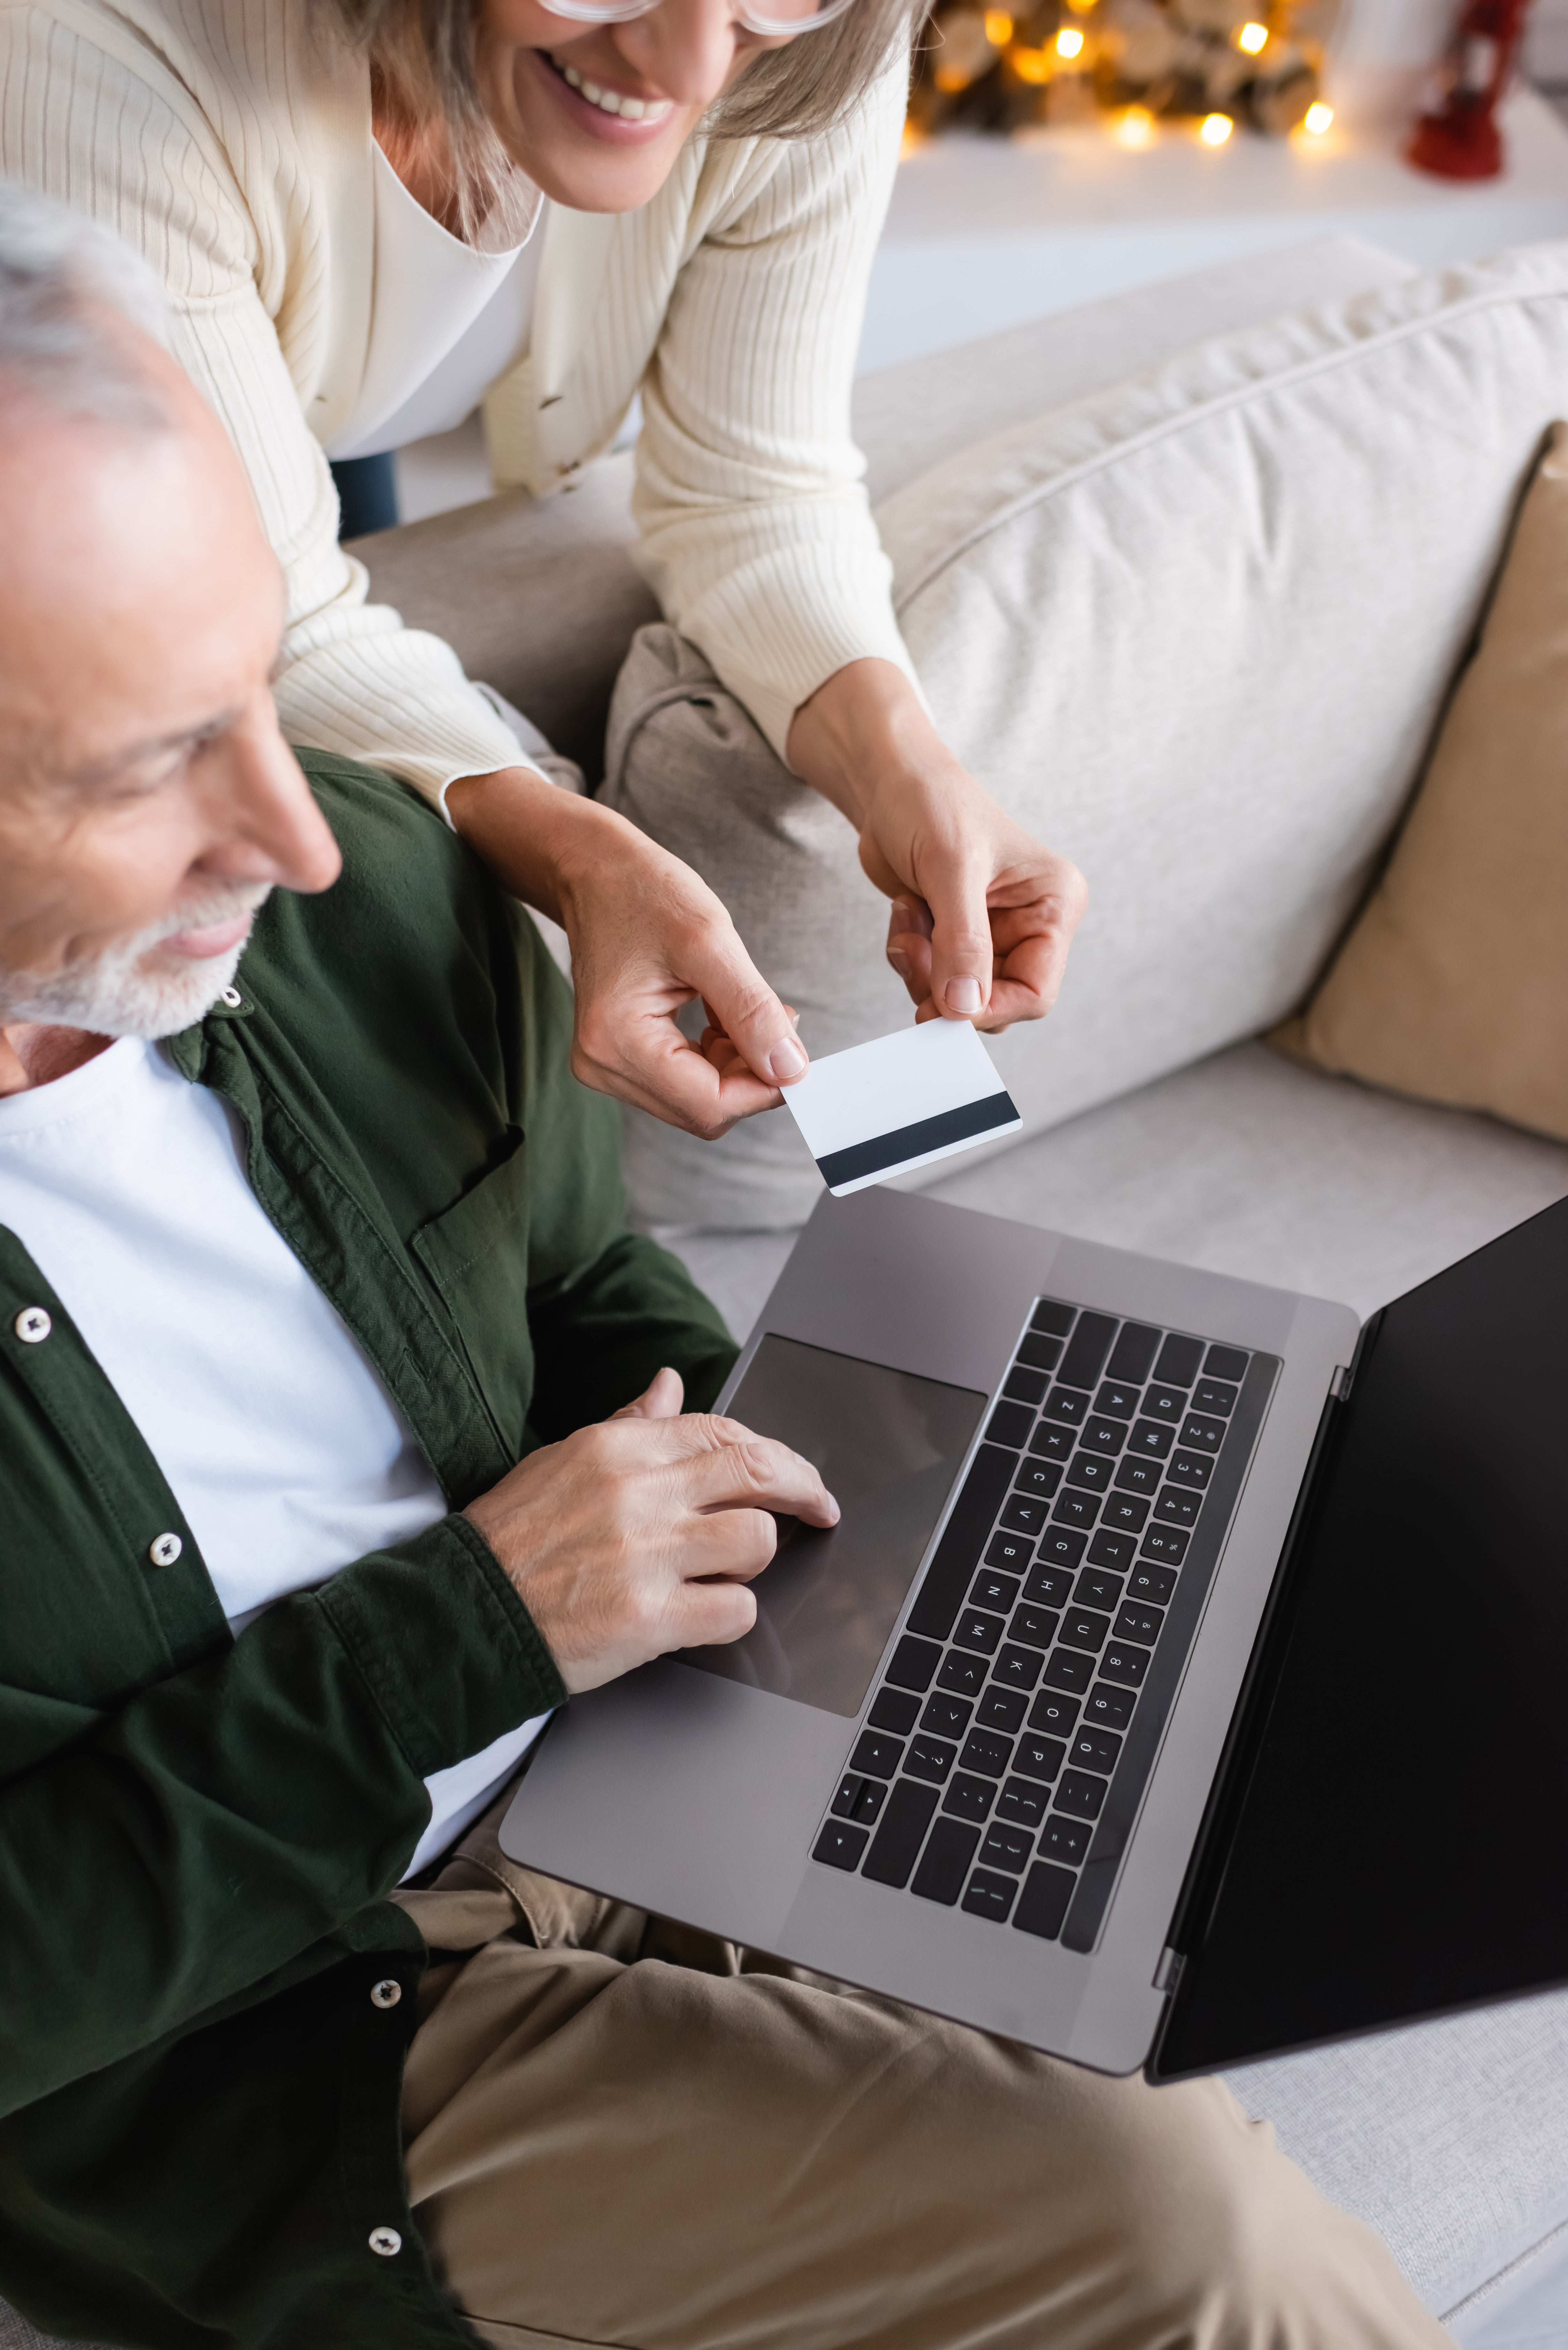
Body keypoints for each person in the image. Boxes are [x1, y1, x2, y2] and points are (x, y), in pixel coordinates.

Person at [0, 190, 1449, 2350]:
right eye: (146, 766)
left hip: (659, 1744)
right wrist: (467, 1633)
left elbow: (591, 1300)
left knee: (1259, 1861)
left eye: (255, 697)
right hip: (292, 2032)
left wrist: (805, 1499)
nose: (297, 836)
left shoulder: (365, 888)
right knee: (1177, 2242)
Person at [0, 0, 1087, 1159]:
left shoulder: (803, 44)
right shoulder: (100, 43)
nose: (693, 64)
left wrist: (906, 766)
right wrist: (579, 858)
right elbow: (288, 621)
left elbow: (752, 490)